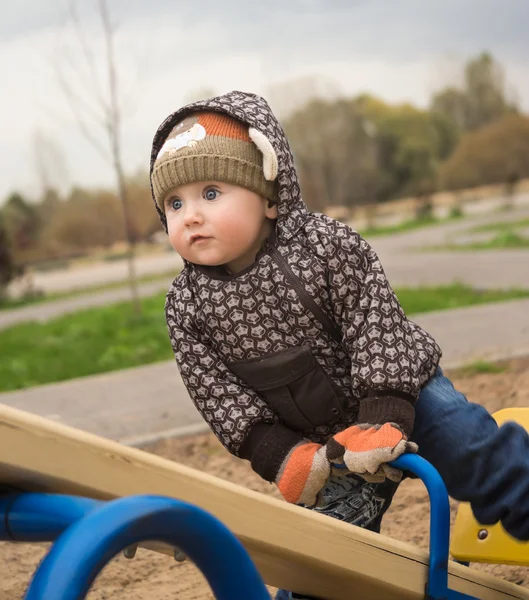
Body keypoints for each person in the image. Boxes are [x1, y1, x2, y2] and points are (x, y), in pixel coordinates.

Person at [148, 91, 529, 600]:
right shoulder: (187, 305)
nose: (190, 215)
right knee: (324, 556)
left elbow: (375, 322)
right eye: (175, 204)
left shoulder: (327, 247)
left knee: (474, 449)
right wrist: (282, 454)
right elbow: (220, 396)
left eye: (211, 193)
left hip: (402, 392)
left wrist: (384, 412)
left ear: (270, 194)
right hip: (328, 448)